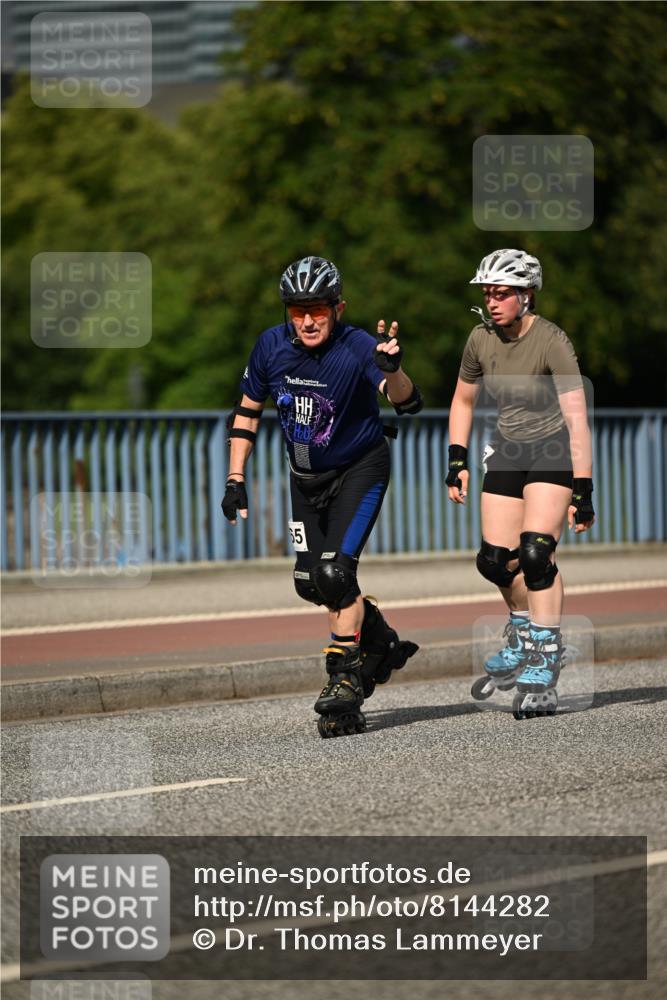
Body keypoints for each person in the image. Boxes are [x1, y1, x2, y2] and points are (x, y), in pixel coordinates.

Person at [221, 256, 420, 737]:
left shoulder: (357, 346)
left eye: (318, 310)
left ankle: (344, 680)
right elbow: (247, 412)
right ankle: (379, 641)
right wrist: (235, 478)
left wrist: (393, 370)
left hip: (360, 470)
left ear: (338, 308)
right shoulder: (270, 346)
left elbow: (408, 402)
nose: (308, 321)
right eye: (297, 311)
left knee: (335, 573)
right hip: (304, 478)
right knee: (310, 583)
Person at [446, 249, 595, 718]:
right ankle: (523, 634)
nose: (492, 301)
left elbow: (577, 418)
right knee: (495, 561)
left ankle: (546, 651)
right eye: (488, 293)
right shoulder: (480, 339)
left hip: (553, 450)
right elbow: (463, 401)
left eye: (501, 293)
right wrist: (457, 460)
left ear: (526, 295)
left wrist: (583, 489)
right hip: (508, 449)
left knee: (535, 553)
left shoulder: (551, 340)